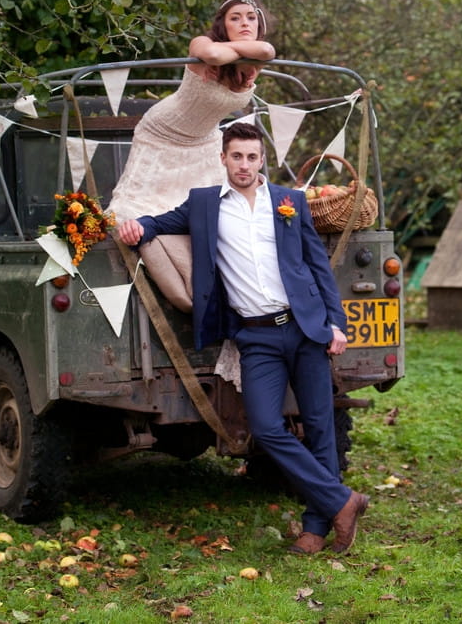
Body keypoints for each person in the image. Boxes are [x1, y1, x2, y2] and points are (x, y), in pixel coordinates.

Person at [117, 121, 369, 555]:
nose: (245, 165)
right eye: (237, 156)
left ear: (262, 160)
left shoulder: (288, 202)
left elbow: (317, 267)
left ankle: (316, 527)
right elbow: (158, 222)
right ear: (223, 158)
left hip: (305, 328)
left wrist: (336, 323)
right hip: (256, 338)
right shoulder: (203, 205)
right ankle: (341, 501)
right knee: (268, 428)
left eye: (252, 157)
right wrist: (134, 226)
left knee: (320, 427)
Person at [108, 0, 275, 222]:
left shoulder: (255, 59)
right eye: (235, 18)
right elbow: (213, 54)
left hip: (205, 140)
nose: (245, 23)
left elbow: (267, 50)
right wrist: (232, 49)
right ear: (223, 25)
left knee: (213, 215)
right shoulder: (201, 42)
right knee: (136, 212)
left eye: (251, 18)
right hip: (163, 132)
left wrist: (234, 51)